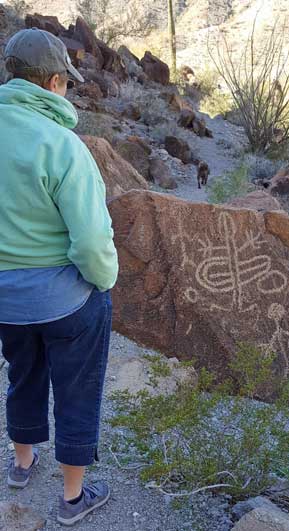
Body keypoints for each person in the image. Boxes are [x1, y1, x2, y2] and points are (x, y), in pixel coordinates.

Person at [0, 27, 119, 526]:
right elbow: (91, 243)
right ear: (53, 81)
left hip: (4, 298)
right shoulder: (64, 146)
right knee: (77, 386)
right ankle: (73, 497)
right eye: (66, 81)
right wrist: (104, 281)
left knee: (23, 372)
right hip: (64, 300)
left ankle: (22, 464)